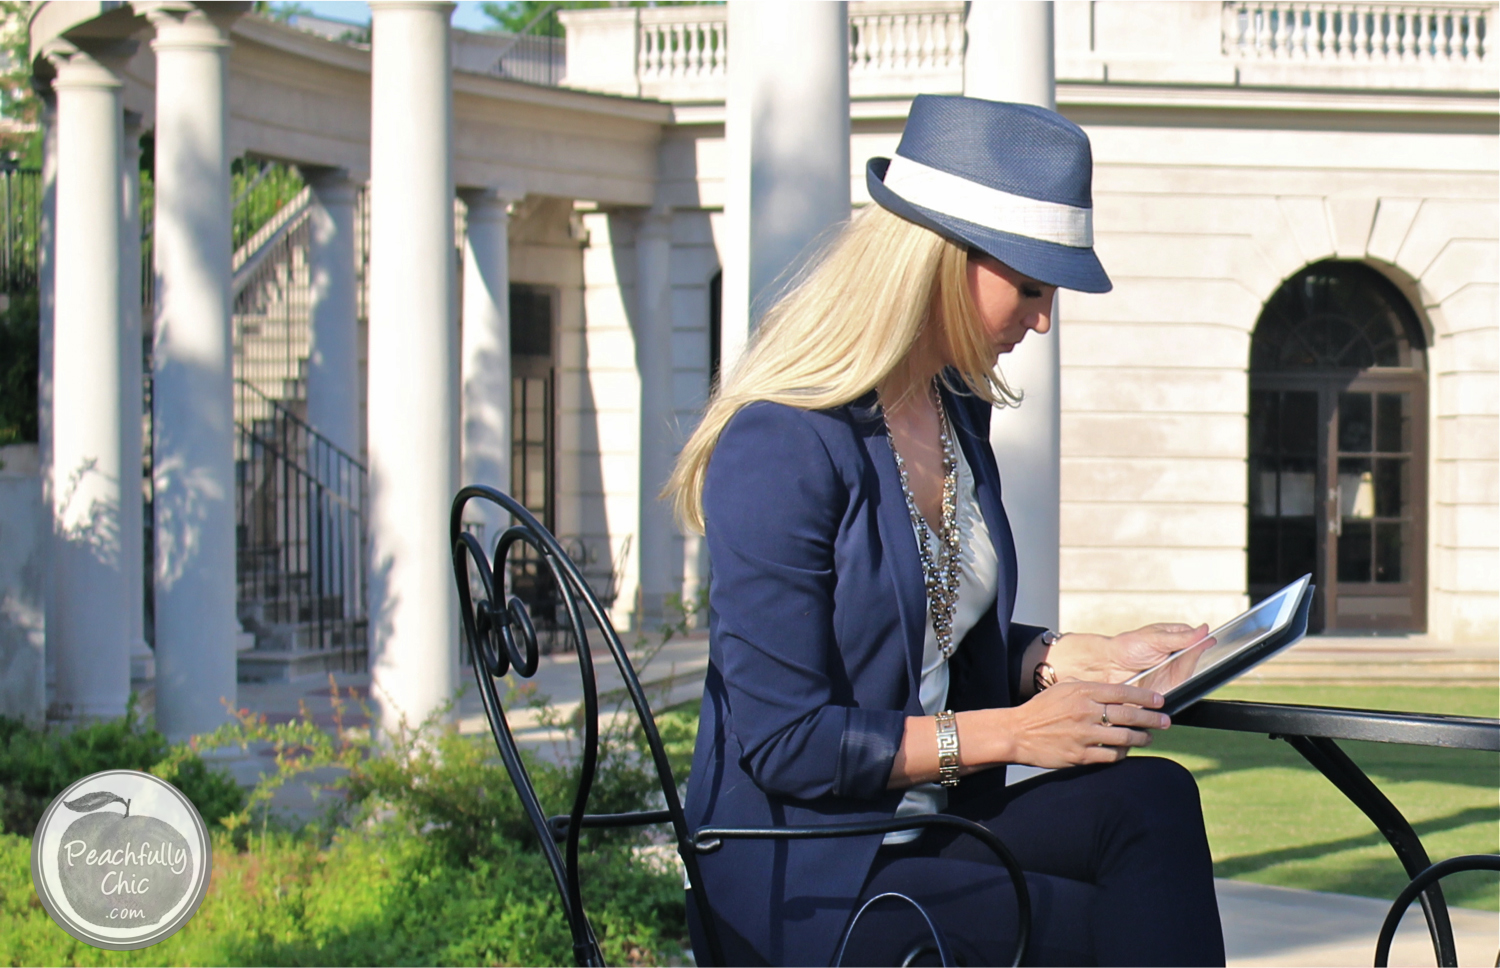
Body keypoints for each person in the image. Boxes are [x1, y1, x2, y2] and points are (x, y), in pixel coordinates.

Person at [665, 95, 1227, 967]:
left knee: (1151, 804)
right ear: (941, 261)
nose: (1043, 320)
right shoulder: (781, 444)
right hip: (807, 875)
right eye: (1032, 288)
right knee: (1112, 929)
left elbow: (915, 638)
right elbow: (785, 742)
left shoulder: (956, 410)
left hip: (929, 828)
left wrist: (1062, 655)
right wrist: (1013, 732)